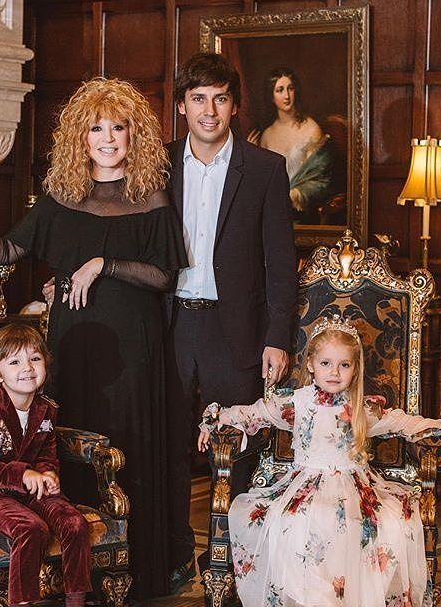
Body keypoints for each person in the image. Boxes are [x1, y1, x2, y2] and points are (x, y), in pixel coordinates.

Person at [0, 78, 188, 599]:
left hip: (133, 346)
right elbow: (9, 250)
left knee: (126, 450)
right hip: (73, 343)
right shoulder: (62, 198)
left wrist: (102, 264)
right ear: (81, 137)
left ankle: (132, 574)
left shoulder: (150, 196)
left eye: (118, 128)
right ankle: (73, 575)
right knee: (68, 444)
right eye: (96, 129)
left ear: (135, 135)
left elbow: (163, 276)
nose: (107, 139)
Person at [198, 315, 441, 607]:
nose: (334, 372)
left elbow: (402, 422)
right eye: (326, 363)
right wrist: (215, 421)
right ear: (311, 365)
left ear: (355, 369)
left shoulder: (362, 407)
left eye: (344, 365)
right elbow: (253, 413)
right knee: (295, 521)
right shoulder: (296, 403)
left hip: (355, 487)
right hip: (305, 485)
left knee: (375, 524)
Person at [164, 52, 297, 592]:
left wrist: (277, 338)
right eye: (198, 99)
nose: (209, 110)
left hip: (236, 330)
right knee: (170, 445)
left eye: (220, 99)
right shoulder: (159, 164)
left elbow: (280, 262)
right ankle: (173, 556)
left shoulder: (264, 169)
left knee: (238, 452)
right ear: (181, 106)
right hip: (170, 326)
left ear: (235, 106)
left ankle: (232, 565)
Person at [0, 323, 91, 607]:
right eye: (15, 362)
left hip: (29, 491)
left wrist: (48, 474)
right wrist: (23, 474)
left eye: (35, 358)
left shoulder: (47, 409)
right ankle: (22, 602)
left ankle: (76, 600)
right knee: (31, 527)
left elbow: (47, 454)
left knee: (74, 522)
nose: (27, 368)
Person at [247, 66, 333, 219]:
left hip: (303, 213)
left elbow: (319, 180)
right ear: (271, 96)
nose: (286, 95)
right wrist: (251, 157)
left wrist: (293, 195)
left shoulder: (310, 128)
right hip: (273, 212)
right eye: (279, 90)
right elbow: (262, 181)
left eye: (290, 89)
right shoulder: (267, 135)